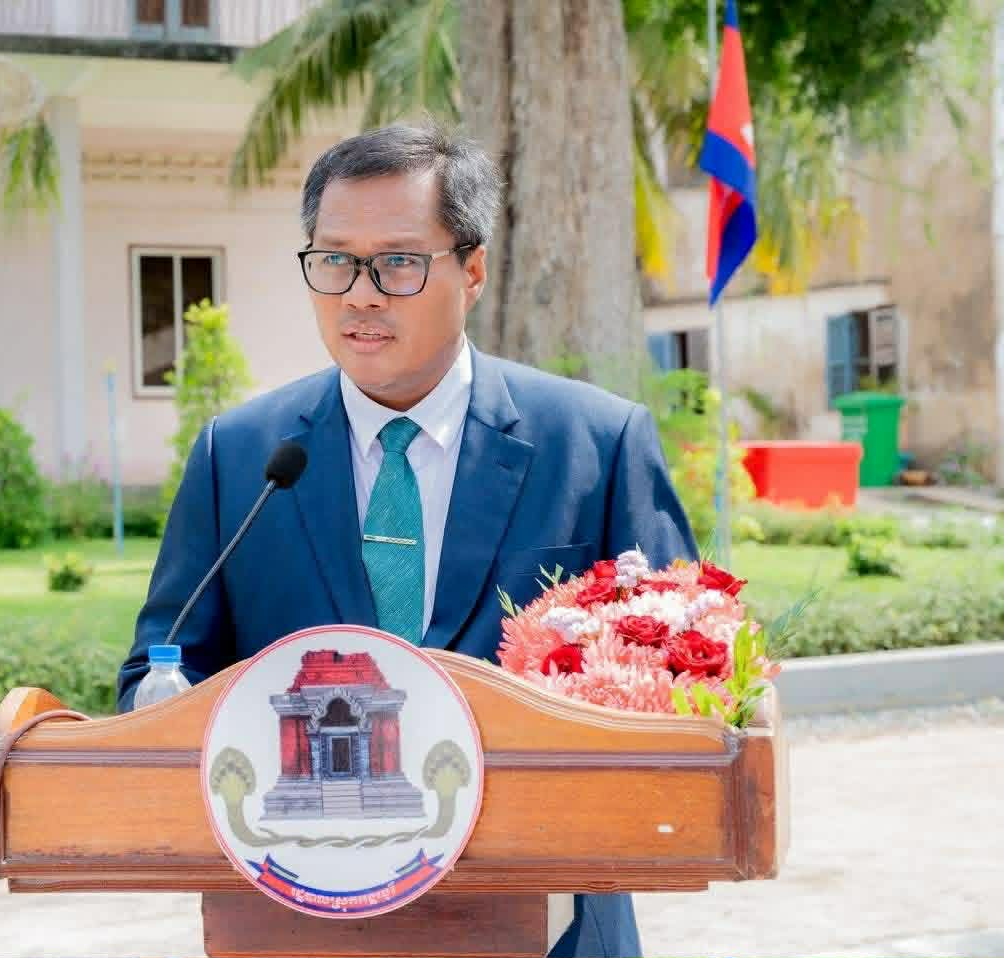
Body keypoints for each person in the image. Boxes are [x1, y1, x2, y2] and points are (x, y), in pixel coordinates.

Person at [116, 124, 696, 958]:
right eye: (334, 261)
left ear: (473, 270)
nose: (360, 295)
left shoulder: (595, 445)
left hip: (551, 926)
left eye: (397, 262)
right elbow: (159, 672)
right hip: (304, 925)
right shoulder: (240, 458)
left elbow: (679, 681)